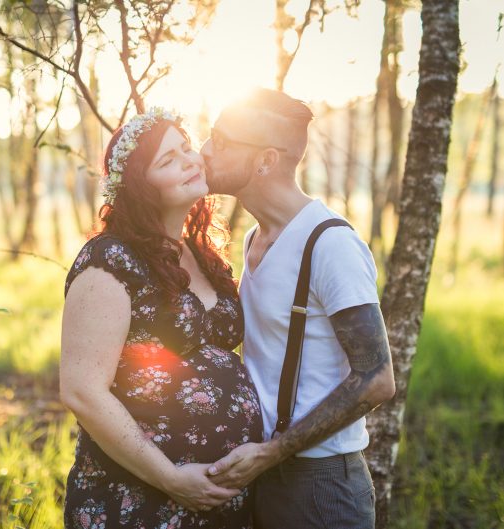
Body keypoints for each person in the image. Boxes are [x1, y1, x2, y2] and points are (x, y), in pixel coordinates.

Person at [200, 89, 396, 529]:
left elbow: (377, 380)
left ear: (266, 160)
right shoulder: (254, 238)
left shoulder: (330, 244)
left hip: (321, 485)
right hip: (265, 472)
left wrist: (273, 451)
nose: (206, 150)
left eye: (221, 139)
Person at [59, 107, 263, 529]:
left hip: (223, 502)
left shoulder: (201, 254)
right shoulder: (109, 260)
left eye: (187, 149)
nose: (190, 159)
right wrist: (172, 479)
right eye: (168, 159)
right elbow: (83, 392)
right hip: (140, 498)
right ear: (139, 186)